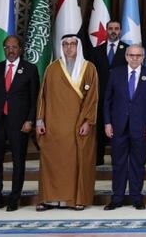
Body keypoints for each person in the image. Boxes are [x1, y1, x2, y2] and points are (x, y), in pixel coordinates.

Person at [35, 34, 99, 211]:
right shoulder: (52, 68)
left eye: (72, 44)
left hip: (77, 126)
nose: (69, 47)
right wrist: (40, 121)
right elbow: (43, 97)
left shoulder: (89, 68)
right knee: (52, 161)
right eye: (65, 44)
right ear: (61, 47)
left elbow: (92, 99)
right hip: (53, 126)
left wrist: (88, 121)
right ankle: (49, 199)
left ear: (78, 46)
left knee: (76, 163)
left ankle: (75, 199)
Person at [0, 35, 38, 212]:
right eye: (7, 47)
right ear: (4, 49)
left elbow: (35, 98)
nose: (10, 50)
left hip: (19, 123)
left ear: (20, 49)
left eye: (14, 47)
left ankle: (14, 198)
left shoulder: (30, 69)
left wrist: (30, 120)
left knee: (18, 161)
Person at [103, 44, 146, 210]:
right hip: (118, 127)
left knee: (138, 164)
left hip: (141, 129)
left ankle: (136, 197)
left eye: (138, 55)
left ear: (143, 57)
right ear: (126, 56)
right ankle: (117, 198)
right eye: (131, 55)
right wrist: (107, 123)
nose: (135, 58)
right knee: (118, 164)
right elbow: (107, 101)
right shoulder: (115, 74)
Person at [89, 20, 128, 165]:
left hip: (120, 97)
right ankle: (98, 157)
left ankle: (116, 158)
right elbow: (91, 74)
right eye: (110, 28)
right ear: (106, 30)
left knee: (118, 128)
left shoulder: (128, 50)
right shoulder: (96, 50)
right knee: (99, 127)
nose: (113, 31)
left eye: (116, 29)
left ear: (121, 31)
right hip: (100, 96)